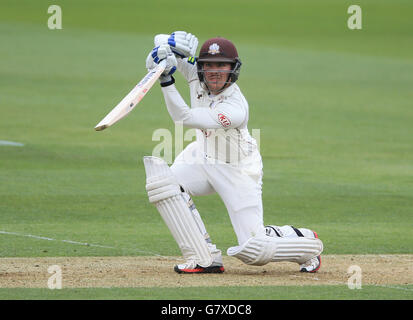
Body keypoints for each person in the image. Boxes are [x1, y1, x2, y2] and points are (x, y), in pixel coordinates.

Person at [143, 31, 323, 274]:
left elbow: (184, 118)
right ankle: (203, 257)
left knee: (254, 251)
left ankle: (306, 243)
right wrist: (162, 51)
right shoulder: (198, 74)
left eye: (222, 66)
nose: (214, 72)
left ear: (233, 69)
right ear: (201, 67)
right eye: (209, 65)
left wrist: (165, 80)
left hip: (237, 169)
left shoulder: (235, 107)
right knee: (163, 184)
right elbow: (163, 43)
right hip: (201, 156)